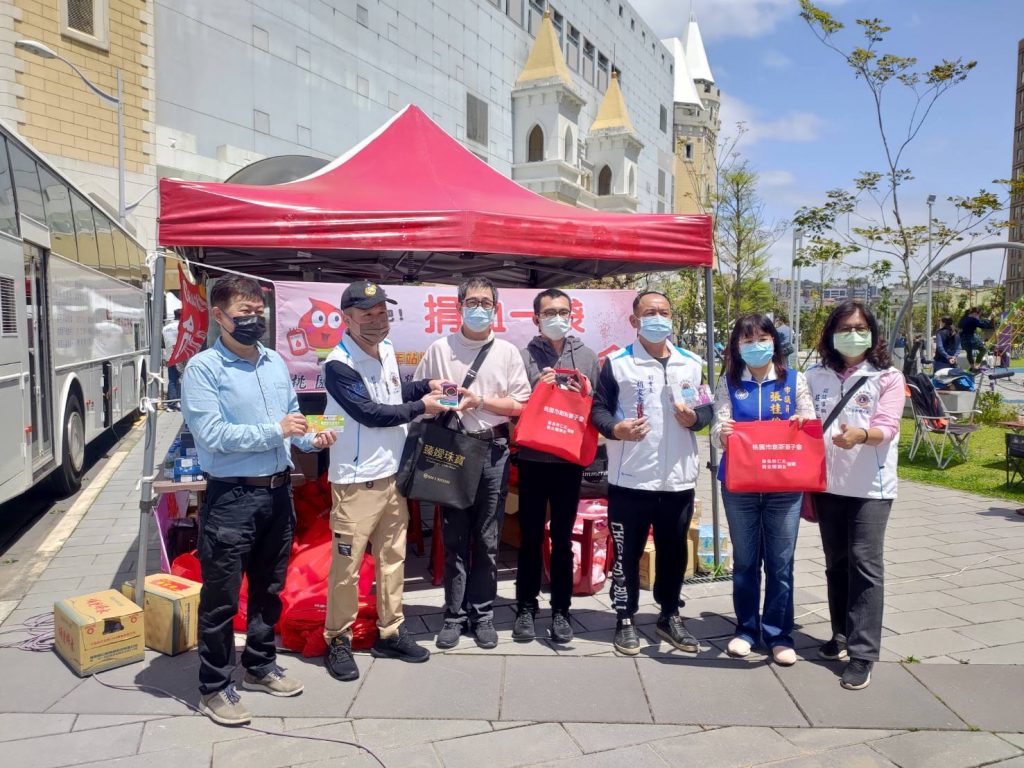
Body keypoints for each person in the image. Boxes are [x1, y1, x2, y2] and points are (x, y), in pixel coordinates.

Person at [182, 276, 336, 726]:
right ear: (219, 316)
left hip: (277, 493)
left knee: (270, 589)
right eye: (243, 314)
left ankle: (259, 665)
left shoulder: (273, 362)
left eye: (258, 312)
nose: (254, 321)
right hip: (231, 497)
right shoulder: (204, 369)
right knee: (222, 598)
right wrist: (278, 431)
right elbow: (212, 436)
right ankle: (213, 686)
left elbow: (293, 425)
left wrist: (313, 438)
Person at [320, 281, 444, 681]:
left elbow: (392, 394)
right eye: (368, 314)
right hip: (356, 482)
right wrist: (421, 407)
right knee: (348, 566)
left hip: (392, 476)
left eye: (382, 313)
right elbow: (370, 412)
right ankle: (336, 638)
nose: (377, 321)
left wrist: (425, 387)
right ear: (347, 318)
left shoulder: (387, 349)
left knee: (393, 560)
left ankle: (390, 631)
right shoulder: (338, 363)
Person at [591, 290, 713, 656]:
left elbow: (705, 412)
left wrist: (695, 419)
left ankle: (670, 615)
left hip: (678, 479)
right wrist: (616, 429)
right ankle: (624, 618)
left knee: (674, 552)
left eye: (664, 312)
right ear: (634, 321)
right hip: (630, 478)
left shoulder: (691, 362)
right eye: (649, 312)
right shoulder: (616, 363)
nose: (658, 318)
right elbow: (598, 411)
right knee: (626, 554)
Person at [414, 277, 532, 649]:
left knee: (487, 539)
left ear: (495, 309)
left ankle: (482, 615)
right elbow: (422, 397)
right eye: (472, 301)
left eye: (486, 302)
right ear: (459, 305)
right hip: (451, 450)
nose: (478, 308)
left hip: (493, 451)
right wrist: (444, 402)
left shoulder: (508, 352)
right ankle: (453, 615)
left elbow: (520, 406)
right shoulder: (439, 348)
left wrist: (479, 401)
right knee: (454, 537)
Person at [805, 300, 904, 691]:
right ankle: (841, 634)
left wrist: (862, 435)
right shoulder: (815, 375)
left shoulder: (888, 377)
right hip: (827, 485)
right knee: (836, 563)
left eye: (860, 327)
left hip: (871, 488)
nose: (853, 333)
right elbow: (802, 419)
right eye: (844, 327)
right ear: (831, 333)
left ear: (873, 333)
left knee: (865, 564)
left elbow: (889, 426)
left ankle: (863, 654)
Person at [711, 314, 815, 666]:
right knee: (745, 562)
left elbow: (810, 421)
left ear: (774, 341)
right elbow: (716, 427)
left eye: (762, 337)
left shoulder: (794, 382)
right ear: (737, 347)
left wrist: (803, 424)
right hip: (739, 484)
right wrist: (722, 433)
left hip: (783, 486)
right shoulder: (728, 383)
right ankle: (745, 629)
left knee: (780, 563)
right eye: (747, 339)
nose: (756, 345)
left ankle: (779, 634)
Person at [513, 288, 601, 644]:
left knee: (563, 538)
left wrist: (588, 392)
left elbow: (597, 407)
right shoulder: (521, 356)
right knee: (530, 537)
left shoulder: (588, 356)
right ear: (535, 318)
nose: (557, 318)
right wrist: (538, 388)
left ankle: (562, 610)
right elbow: (514, 403)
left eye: (563, 311)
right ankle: (525, 607)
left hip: (568, 460)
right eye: (549, 312)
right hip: (533, 459)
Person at [162, 309, 182, 411]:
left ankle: (171, 405)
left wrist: (164, 357)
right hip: (181, 357)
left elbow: (163, 344)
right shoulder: (183, 327)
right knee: (183, 380)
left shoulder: (165, 328)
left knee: (172, 381)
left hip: (169, 357)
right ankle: (181, 402)